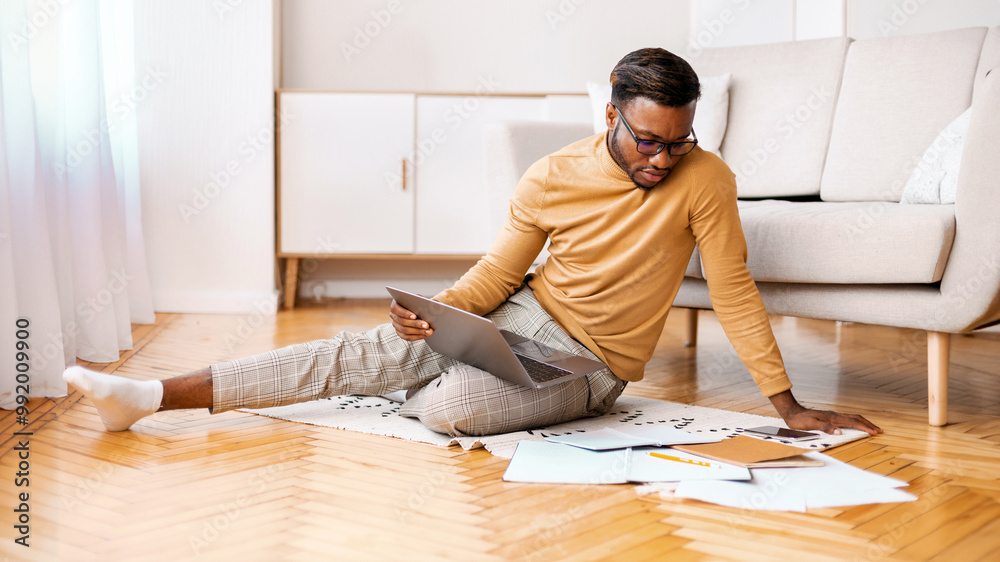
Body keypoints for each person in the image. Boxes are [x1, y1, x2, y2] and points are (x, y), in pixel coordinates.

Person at [64, 48, 882, 438]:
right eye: (647, 141)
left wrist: (789, 405)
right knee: (360, 348)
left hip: (594, 367)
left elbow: (733, 289)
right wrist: (436, 316)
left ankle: (432, 373)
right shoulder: (549, 176)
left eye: (678, 141)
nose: (662, 159)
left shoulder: (706, 181)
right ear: (610, 117)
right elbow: (499, 274)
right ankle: (147, 398)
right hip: (523, 318)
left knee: (452, 408)